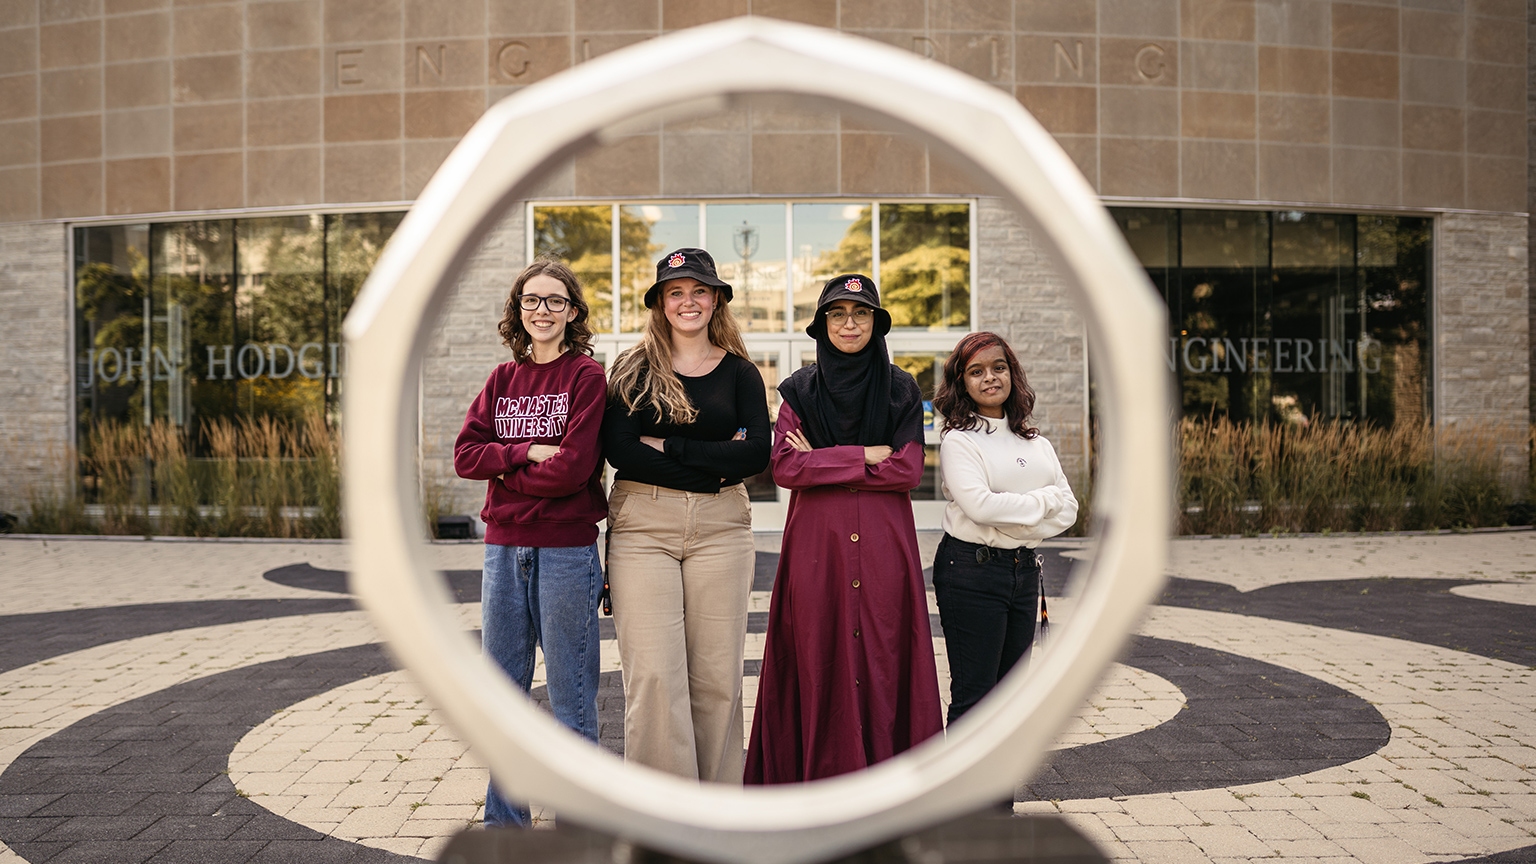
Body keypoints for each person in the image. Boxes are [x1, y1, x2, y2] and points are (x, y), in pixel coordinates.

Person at [745, 274, 943, 784]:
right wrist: (863, 455)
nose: (849, 323)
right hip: (818, 549)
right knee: (817, 653)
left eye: (861, 313)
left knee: (884, 653)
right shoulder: (800, 390)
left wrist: (825, 459)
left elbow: (908, 470)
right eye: (837, 314)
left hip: (883, 550)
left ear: (876, 323)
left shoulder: (900, 389)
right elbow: (786, 468)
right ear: (821, 325)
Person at [602, 247, 771, 782]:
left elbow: (755, 455)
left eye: (699, 290)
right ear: (660, 303)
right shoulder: (633, 369)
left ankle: (717, 810)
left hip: (722, 529)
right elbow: (622, 450)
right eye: (676, 292)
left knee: (718, 676)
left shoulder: (741, 373)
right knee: (654, 676)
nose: (688, 301)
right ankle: (663, 814)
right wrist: (714, 466)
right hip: (643, 529)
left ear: (716, 298)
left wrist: (670, 448)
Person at [453, 258, 607, 827]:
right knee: (504, 699)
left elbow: (573, 471)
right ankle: (505, 829)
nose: (543, 311)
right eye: (532, 301)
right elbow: (466, 455)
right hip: (502, 549)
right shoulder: (501, 379)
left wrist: (503, 472)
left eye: (555, 300)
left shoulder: (587, 378)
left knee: (570, 699)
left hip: (566, 550)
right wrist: (523, 453)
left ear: (573, 312)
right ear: (518, 311)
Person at [930, 331, 1078, 726]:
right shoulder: (960, 441)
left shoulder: (1036, 443)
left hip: (1023, 573)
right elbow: (980, 506)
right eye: (976, 371)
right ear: (961, 382)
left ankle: (998, 792)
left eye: (999, 367)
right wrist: (1043, 502)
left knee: (1011, 700)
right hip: (971, 572)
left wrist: (1016, 518)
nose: (990, 377)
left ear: (1012, 373)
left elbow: (1071, 511)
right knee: (976, 699)